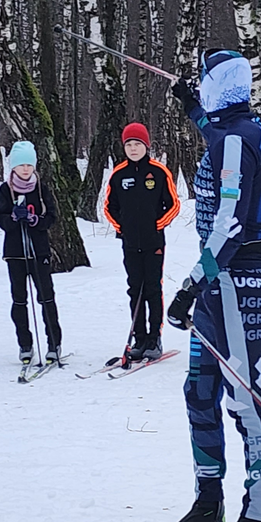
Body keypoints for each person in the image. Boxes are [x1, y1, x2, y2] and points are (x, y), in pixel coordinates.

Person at [163, 49, 261, 522]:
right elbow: (217, 135)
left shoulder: (238, 138)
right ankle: (208, 505)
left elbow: (229, 225)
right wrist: (190, 105)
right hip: (218, 284)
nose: (202, 87)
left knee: (245, 402)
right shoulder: (233, 129)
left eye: (204, 81)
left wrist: (190, 284)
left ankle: (256, 519)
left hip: (238, 280)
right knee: (199, 391)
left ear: (222, 85)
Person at [103, 123, 180, 364]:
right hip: (129, 242)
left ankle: (154, 338)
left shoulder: (158, 172)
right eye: (129, 145)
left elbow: (173, 204)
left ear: (146, 146)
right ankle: (139, 338)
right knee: (134, 288)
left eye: (137, 144)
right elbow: (109, 207)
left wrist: (158, 224)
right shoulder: (119, 174)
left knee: (152, 288)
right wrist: (121, 228)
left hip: (153, 241)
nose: (133, 149)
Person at [0, 141, 63, 365]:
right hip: (15, 253)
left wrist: (36, 220)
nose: (25, 169)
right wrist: (13, 218)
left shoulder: (42, 189)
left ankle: (54, 343)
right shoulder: (6, 189)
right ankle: (25, 344)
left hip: (39, 251)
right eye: (20, 165)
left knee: (46, 297)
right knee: (19, 300)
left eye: (29, 164)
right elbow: (1, 219)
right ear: (13, 167)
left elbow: (51, 216)